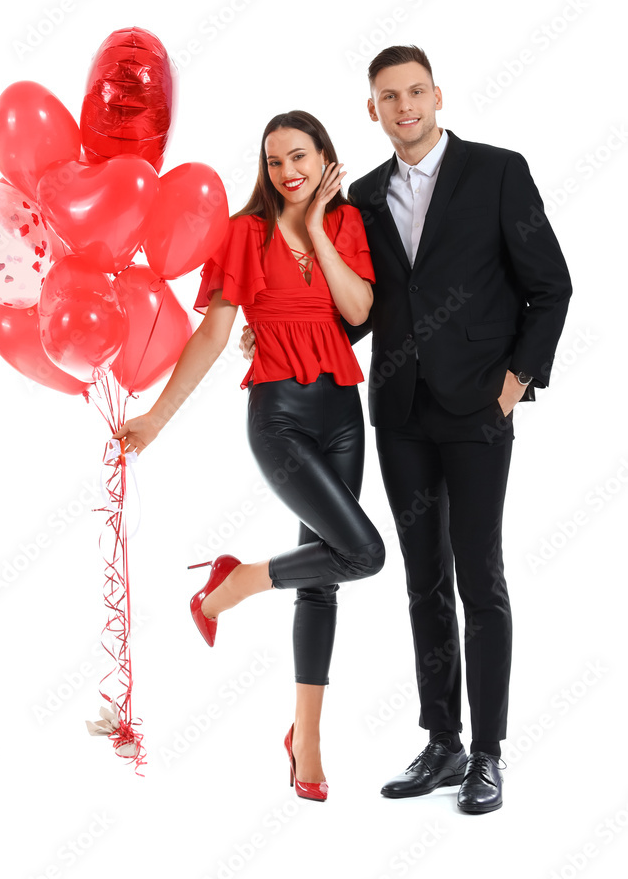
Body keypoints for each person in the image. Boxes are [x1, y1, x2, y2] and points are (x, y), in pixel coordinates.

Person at [241, 46, 572, 813]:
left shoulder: (497, 172)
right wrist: (277, 332)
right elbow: (364, 310)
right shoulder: (358, 196)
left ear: (436, 96)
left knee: (478, 579)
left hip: (476, 411)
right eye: (388, 97)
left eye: (415, 92)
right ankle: (442, 742)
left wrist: (517, 381)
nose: (404, 107)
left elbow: (549, 286)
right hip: (398, 413)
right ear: (372, 111)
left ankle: (487, 753)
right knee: (421, 581)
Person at [115, 110, 385, 803]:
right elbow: (210, 337)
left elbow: (357, 311)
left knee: (326, 577)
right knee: (362, 551)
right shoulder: (245, 233)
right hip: (280, 417)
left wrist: (321, 227)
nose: (287, 172)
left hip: (342, 415)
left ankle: (306, 738)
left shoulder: (347, 224)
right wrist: (155, 420)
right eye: (273, 162)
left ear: (324, 157)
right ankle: (231, 586)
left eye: (299, 157)